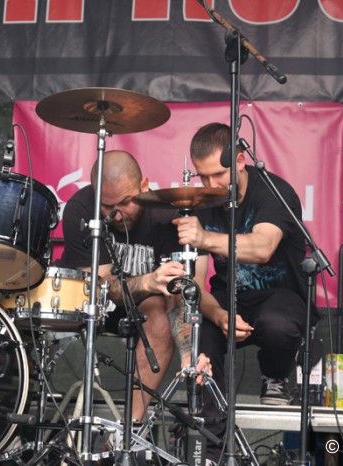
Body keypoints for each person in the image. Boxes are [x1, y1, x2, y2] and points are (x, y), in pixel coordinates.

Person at [58, 150, 210, 421]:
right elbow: (97, 288)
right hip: (90, 304)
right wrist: (149, 280)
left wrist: (189, 353)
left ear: (144, 185)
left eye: (126, 202)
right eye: (108, 206)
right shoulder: (81, 208)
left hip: (147, 307)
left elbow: (182, 297)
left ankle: (130, 427)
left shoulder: (168, 215)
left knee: (158, 310)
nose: (117, 215)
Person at [172, 122, 310, 410]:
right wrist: (220, 315)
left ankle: (275, 376)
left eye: (219, 174)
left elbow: (263, 248)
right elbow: (194, 284)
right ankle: (212, 425)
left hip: (280, 295)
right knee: (200, 331)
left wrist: (204, 237)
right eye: (203, 176)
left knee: (278, 324)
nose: (211, 185)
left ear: (239, 161)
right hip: (227, 297)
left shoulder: (273, 192)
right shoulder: (202, 203)